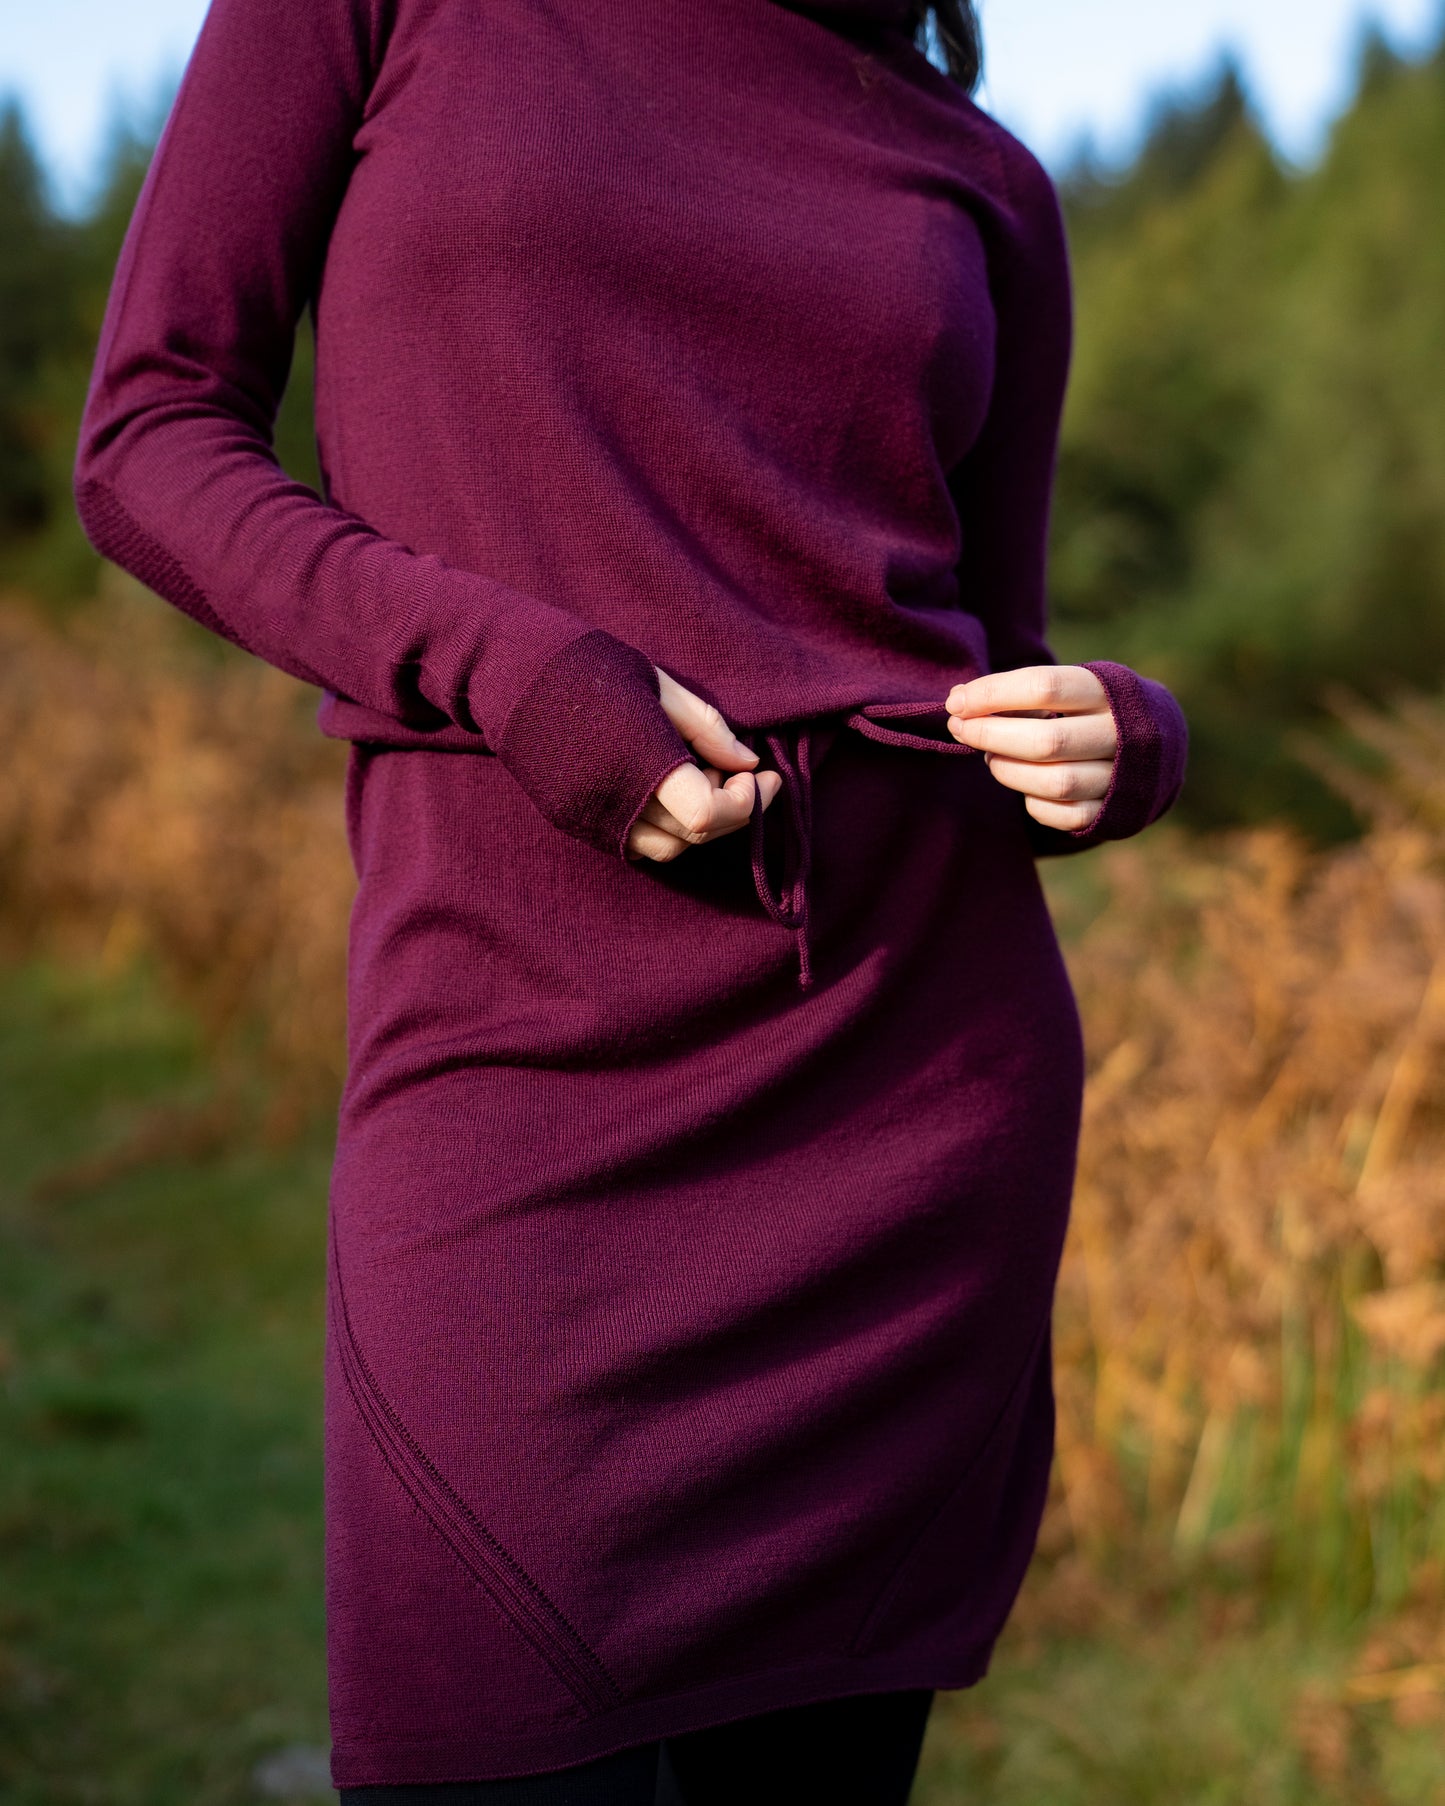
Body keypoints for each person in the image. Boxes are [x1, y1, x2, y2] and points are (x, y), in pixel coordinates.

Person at [73, 0, 1189, 1799]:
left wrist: (1121, 740)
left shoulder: (980, 175)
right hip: (510, 1065)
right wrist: (505, 665)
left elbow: (989, 651)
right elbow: (147, 440)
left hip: (905, 1109)